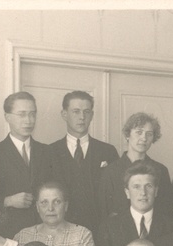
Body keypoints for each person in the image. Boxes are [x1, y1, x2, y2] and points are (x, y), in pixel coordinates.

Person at [0, 92, 52, 238]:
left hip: (44, 230)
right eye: (22, 114)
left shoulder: (47, 152)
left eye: (32, 114)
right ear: (7, 117)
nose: (28, 120)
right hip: (9, 231)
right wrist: (8, 201)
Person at [47, 91, 119, 233]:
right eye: (76, 111)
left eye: (86, 112)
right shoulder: (49, 152)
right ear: (64, 114)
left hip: (99, 229)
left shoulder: (108, 151)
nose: (82, 117)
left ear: (92, 115)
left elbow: (115, 193)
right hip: (61, 228)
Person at [97, 161, 173, 246]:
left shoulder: (172, 226)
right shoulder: (109, 228)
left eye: (148, 186)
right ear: (127, 192)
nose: (143, 193)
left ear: (156, 191)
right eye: (136, 186)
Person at [98, 112, 173, 221]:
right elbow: (104, 212)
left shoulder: (160, 170)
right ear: (128, 135)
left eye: (149, 134)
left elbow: (167, 212)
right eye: (139, 132)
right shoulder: (111, 171)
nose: (144, 138)